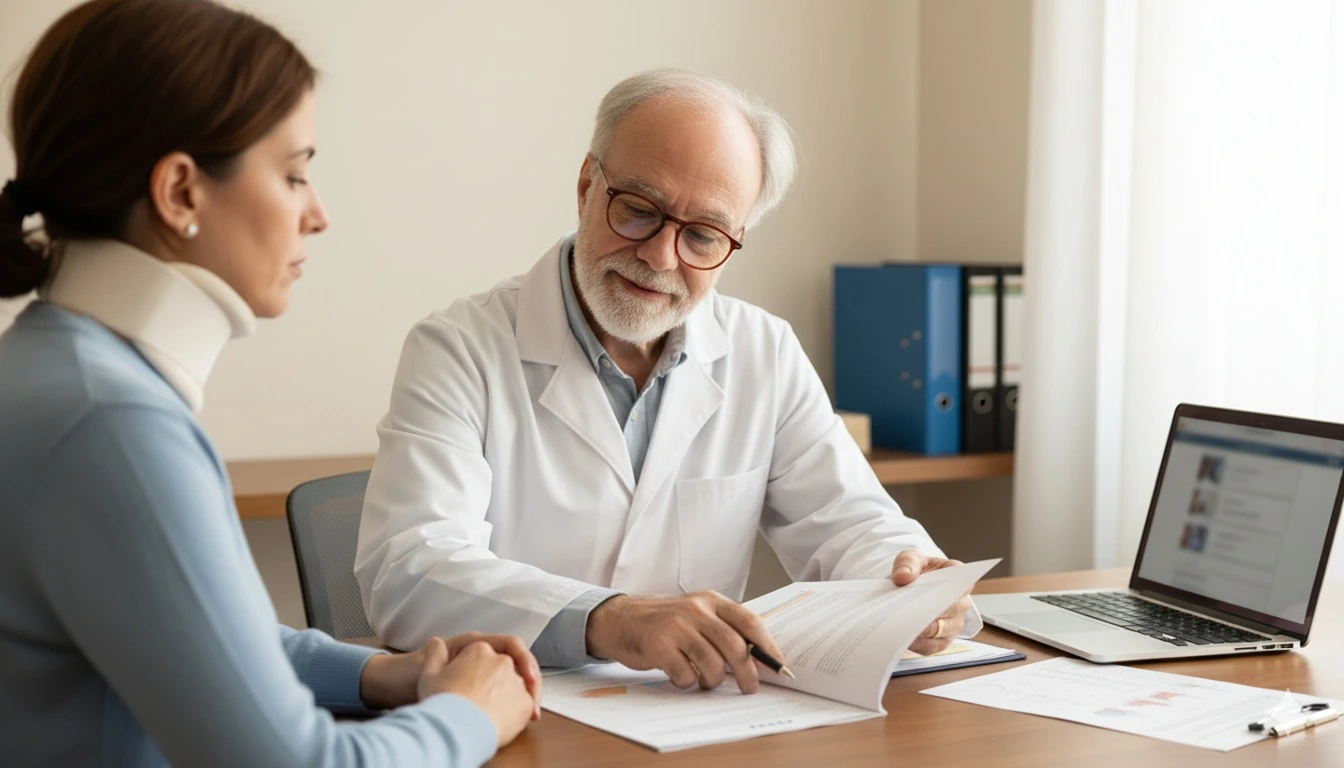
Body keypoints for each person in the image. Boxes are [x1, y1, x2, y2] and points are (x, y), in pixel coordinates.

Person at [0, 1, 538, 765]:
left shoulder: (51, 374)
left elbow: (195, 638)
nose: (317, 214)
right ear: (180, 192)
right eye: (293, 175)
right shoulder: (110, 424)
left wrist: (382, 673)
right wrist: (469, 715)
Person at [355, 69, 980, 694]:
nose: (660, 256)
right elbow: (408, 570)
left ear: (734, 240)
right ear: (586, 186)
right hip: (521, 704)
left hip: (693, 713)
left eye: (702, 235)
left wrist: (912, 580)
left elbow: (850, 522)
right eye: (638, 211)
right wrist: (609, 619)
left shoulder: (764, 351)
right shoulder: (459, 347)